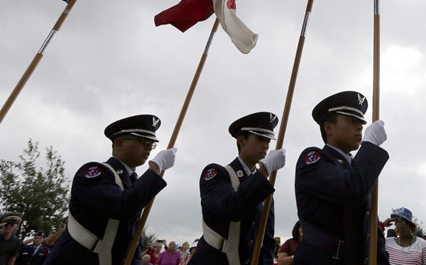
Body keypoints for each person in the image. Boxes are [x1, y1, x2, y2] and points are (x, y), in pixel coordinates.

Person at [46, 114, 177, 264]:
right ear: (119, 143)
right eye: (143, 141)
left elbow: (132, 235)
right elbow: (121, 206)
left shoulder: (134, 182)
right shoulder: (94, 172)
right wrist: (155, 168)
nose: (148, 147)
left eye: (151, 143)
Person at [293, 90, 389, 265]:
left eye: (361, 122)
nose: (360, 126)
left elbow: (371, 230)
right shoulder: (313, 160)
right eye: (352, 121)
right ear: (328, 127)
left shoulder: (358, 169)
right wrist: (370, 146)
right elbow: (351, 189)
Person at [190, 112, 286, 265]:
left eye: (268, 140)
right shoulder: (216, 174)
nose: (266, 145)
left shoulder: (264, 187)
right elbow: (232, 208)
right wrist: (264, 170)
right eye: (260, 138)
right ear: (241, 140)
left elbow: (266, 239)